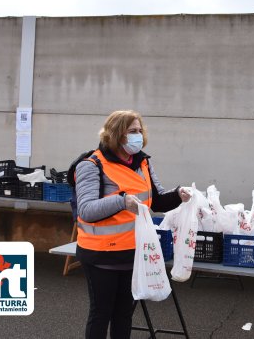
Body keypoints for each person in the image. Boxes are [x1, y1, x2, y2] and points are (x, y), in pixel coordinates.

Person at [74, 110, 191, 339]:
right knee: (101, 314)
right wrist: (121, 202)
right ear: (117, 134)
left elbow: (156, 200)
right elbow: (86, 210)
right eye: (132, 131)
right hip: (101, 256)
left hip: (132, 254)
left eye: (140, 131)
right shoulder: (91, 165)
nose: (138, 135)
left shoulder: (143, 163)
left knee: (124, 315)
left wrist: (179, 195)